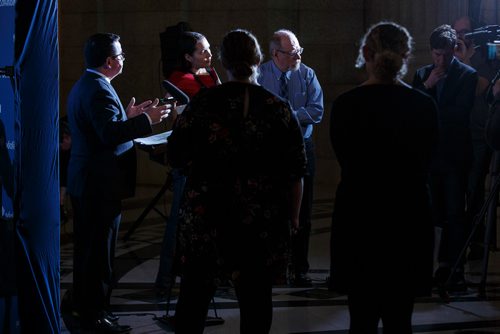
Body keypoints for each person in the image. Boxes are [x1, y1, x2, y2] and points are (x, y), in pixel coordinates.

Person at [168, 29, 306, 334]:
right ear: (258, 59)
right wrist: (293, 217)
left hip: (207, 216)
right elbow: (296, 170)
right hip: (259, 219)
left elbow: (176, 155)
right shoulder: (277, 108)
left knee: (194, 299)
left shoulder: (202, 103)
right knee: (256, 300)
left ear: (223, 61)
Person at [329, 21, 439, 334]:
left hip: (360, 220)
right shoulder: (423, 105)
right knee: (399, 321)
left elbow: (344, 158)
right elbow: (427, 161)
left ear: (365, 53)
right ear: (406, 56)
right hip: (406, 222)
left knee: (360, 321)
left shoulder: (347, 105)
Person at [66, 32, 170, 333]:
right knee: (98, 256)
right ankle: (95, 317)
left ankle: (88, 310)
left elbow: (102, 128)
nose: (124, 59)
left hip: (88, 183)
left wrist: (128, 115)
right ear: (110, 61)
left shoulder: (89, 84)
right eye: (121, 55)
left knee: (90, 252)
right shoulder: (98, 89)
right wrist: (146, 119)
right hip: (99, 185)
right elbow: (109, 136)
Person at [154, 30, 220, 295]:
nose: (209, 54)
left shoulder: (208, 74)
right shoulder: (179, 80)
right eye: (202, 51)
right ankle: (165, 281)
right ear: (187, 57)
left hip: (211, 158)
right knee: (177, 222)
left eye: (209, 49)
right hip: (190, 159)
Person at [413, 24, 478, 292]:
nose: (440, 60)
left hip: (454, 155)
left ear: (454, 51)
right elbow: (414, 113)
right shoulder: (422, 75)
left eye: (445, 55)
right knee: (432, 213)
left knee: (454, 213)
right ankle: (434, 265)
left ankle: (455, 267)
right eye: (436, 55)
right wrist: (428, 86)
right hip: (429, 157)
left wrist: (430, 106)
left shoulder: (467, 76)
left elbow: (459, 115)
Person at [258, 29, 324, 287]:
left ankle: (300, 268)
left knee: (303, 213)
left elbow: (316, 110)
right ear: (276, 53)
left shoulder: (307, 74)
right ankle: (272, 264)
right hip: (269, 151)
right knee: (270, 209)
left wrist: (286, 116)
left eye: (299, 50)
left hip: (302, 146)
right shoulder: (260, 76)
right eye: (292, 51)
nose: (298, 55)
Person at [453, 16, 499, 262]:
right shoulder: (452, 56)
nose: (462, 37)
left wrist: (466, 60)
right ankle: (465, 239)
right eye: (458, 32)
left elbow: (483, 87)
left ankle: (479, 241)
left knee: (476, 189)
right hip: (462, 131)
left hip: (483, 131)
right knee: (462, 189)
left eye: (466, 32)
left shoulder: (487, 55)